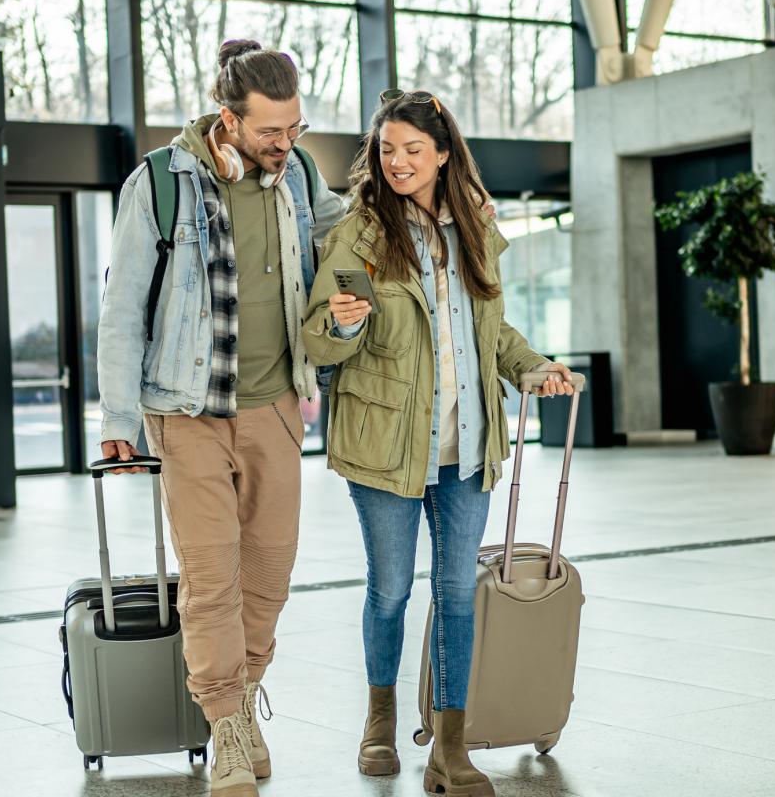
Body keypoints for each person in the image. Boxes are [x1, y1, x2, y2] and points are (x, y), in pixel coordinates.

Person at [302, 89, 573, 796]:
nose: (397, 163)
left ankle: (450, 747)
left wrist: (534, 367)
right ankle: (379, 724)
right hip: (385, 446)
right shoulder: (359, 233)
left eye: (413, 151)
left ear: (445, 154)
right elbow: (316, 340)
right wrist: (343, 322)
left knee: (456, 596)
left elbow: (494, 334)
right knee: (389, 592)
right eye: (386, 150)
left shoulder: (475, 230)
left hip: (467, 443)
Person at [97, 39, 346, 797]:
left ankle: (239, 704)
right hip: (186, 409)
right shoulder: (162, 182)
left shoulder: (298, 174)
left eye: (296, 127)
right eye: (271, 131)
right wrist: (118, 417)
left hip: (275, 405)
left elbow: (346, 231)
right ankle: (228, 725)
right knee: (211, 580)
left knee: (270, 573)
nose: (287, 143)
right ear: (228, 120)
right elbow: (122, 306)